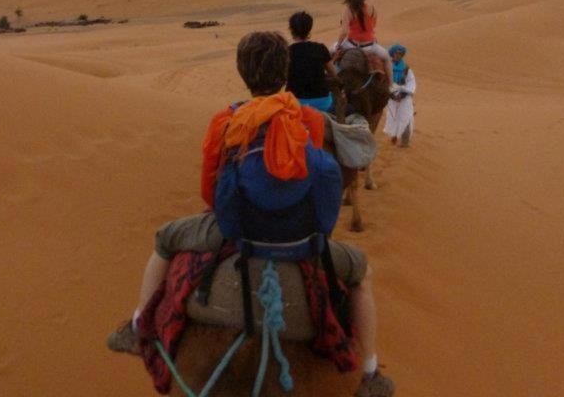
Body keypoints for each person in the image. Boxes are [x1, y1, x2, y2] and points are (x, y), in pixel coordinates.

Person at [107, 31, 395, 397]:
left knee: (164, 241)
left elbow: (210, 189)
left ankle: (139, 328)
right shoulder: (311, 120)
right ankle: (369, 372)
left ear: (242, 72)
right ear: (284, 71)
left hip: (235, 232)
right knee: (360, 275)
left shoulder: (227, 121)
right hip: (302, 241)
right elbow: (326, 198)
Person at [331, 0, 393, 83]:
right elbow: (373, 25)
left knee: (331, 51)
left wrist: (338, 45)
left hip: (351, 45)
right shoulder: (372, 9)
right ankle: (391, 85)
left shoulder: (348, 10)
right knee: (387, 58)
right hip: (370, 46)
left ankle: (331, 80)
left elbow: (344, 32)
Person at [287, 11, 336, 112]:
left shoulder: (286, 52)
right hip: (323, 103)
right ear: (309, 28)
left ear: (291, 30)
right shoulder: (320, 49)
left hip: (295, 103)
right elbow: (334, 74)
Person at [383, 44, 415, 147]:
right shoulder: (387, 67)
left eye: (400, 54)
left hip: (404, 98)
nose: (398, 56)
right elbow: (383, 82)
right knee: (393, 118)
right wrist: (391, 95)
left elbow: (411, 83)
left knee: (406, 118)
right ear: (392, 54)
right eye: (396, 54)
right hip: (392, 98)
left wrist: (403, 94)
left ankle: (405, 143)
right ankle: (394, 135)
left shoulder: (406, 69)